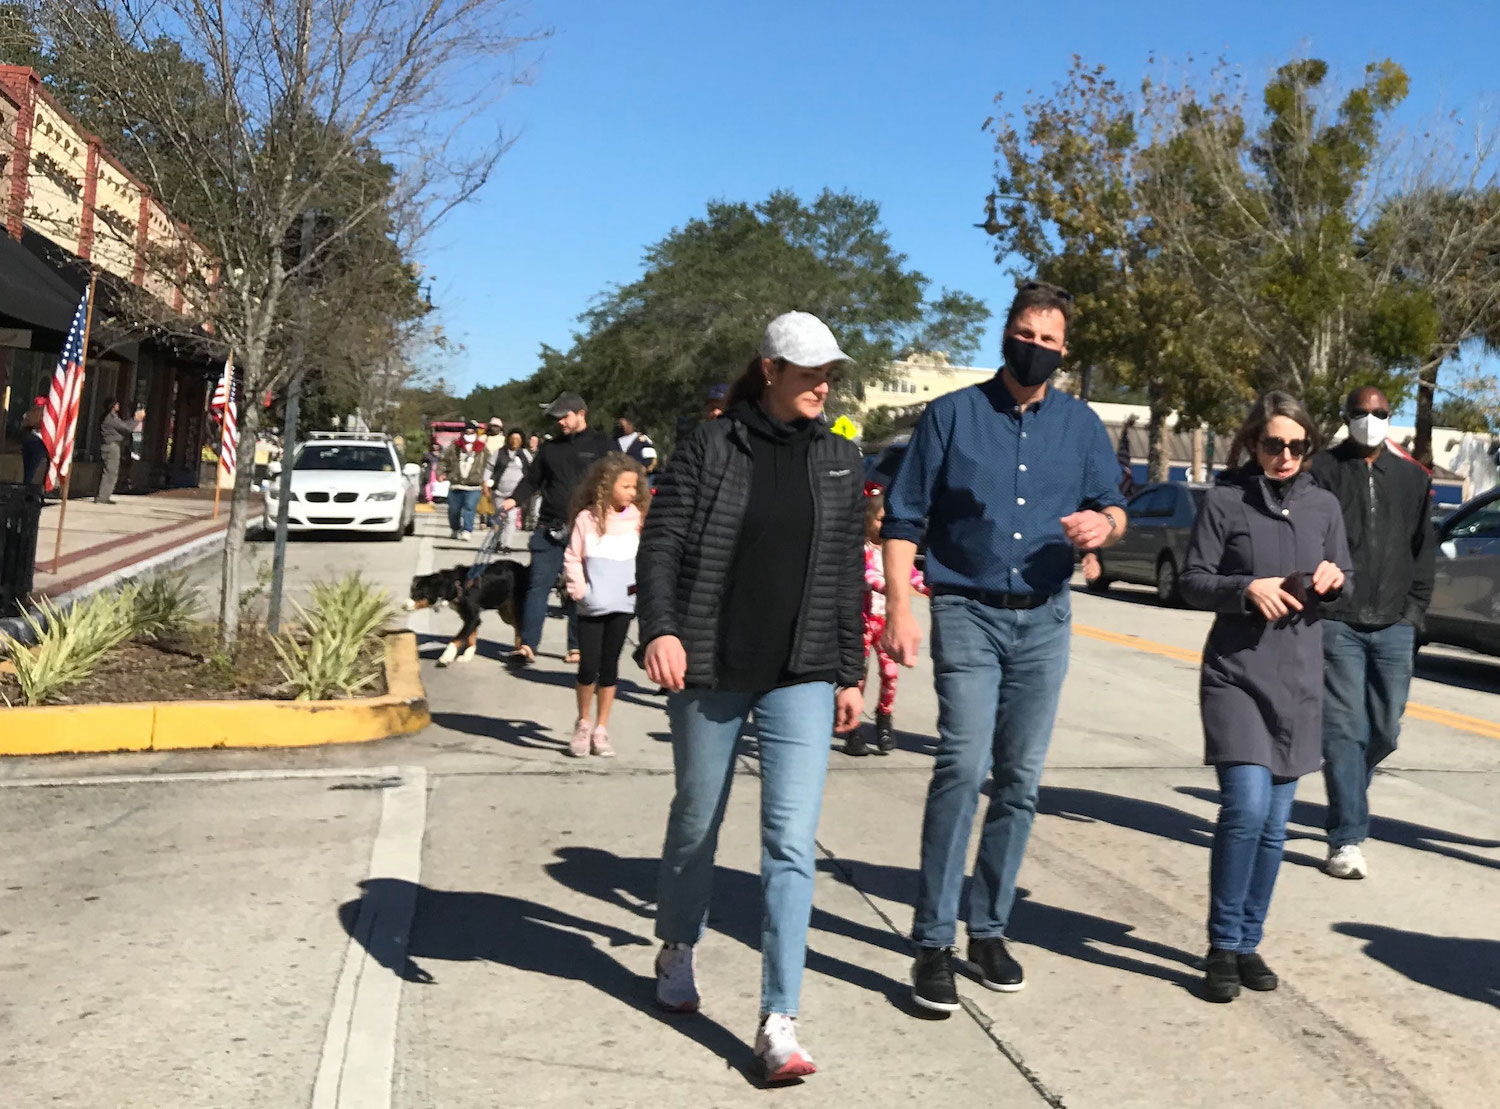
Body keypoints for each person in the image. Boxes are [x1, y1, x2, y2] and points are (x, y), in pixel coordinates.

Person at [881, 280, 1128, 1011]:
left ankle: (986, 928)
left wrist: (1104, 527)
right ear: (1006, 332)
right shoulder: (952, 415)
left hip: (1045, 617)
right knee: (961, 764)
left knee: (1019, 778)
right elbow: (904, 517)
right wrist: (900, 605)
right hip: (967, 610)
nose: (1036, 347)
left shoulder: (1081, 426)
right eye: (1027, 332)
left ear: (1063, 349)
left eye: (1050, 340)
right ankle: (932, 940)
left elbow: (1112, 503)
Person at [639, 311, 864, 1083]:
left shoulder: (840, 456)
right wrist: (660, 628)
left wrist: (851, 670)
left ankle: (779, 1017)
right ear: (770, 371)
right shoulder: (710, 443)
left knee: (791, 842)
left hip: (800, 672)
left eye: (828, 373)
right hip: (711, 666)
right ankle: (676, 942)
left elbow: (841, 574)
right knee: (697, 819)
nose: (822, 385)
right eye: (808, 374)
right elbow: (661, 540)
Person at [1180, 390, 1352, 1002]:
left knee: (1276, 828)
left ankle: (1249, 941)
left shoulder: (1325, 506)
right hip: (1237, 675)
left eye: (1297, 446)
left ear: (1309, 449)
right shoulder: (1226, 502)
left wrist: (1333, 582)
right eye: (1273, 444)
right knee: (1247, 810)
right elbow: (1193, 580)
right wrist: (1246, 587)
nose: (1284, 455)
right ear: (1254, 445)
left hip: (1299, 681)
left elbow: (1346, 581)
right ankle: (1222, 946)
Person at [1308, 386, 1434, 881]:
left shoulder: (1410, 477)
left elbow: (1423, 549)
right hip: (1337, 621)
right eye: (1360, 412)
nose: (1370, 420)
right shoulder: (1322, 471)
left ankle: (1348, 785)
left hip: (1394, 625)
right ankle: (1346, 838)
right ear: (1346, 416)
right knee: (1343, 731)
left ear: (1390, 417)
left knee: (1383, 731)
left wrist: (1414, 613)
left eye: (1379, 413)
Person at [500, 394, 614, 665]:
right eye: (557, 418)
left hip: (587, 531)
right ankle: (527, 645)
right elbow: (532, 481)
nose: (560, 422)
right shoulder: (550, 449)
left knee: (578, 590)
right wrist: (513, 500)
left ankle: (577, 647)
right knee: (537, 586)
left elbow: (616, 482)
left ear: (581, 414)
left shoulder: (602, 445)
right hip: (548, 528)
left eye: (565, 417)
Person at [563, 453, 650, 757]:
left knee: (610, 667)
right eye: (625, 486)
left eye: (634, 487)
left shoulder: (637, 519)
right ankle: (583, 722)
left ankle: (601, 728)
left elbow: (647, 557)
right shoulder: (588, 519)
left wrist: (641, 590)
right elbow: (573, 557)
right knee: (588, 666)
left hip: (623, 604)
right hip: (592, 604)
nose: (632, 492)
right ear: (606, 485)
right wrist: (580, 590)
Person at [843, 489, 928, 757]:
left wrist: (931, 588)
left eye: (887, 521)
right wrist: (891, 587)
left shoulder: (894, 553)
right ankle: (853, 729)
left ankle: (884, 719)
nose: (884, 526)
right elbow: (867, 576)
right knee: (858, 676)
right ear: (868, 520)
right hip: (863, 623)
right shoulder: (863, 552)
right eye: (880, 520)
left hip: (885, 623)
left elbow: (913, 577)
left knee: (890, 674)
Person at [438, 420, 487, 540]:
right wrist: (441, 473)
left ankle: (467, 530)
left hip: (474, 485)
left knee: (470, 508)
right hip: (456, 484)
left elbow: (489, 465)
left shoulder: (482, 449)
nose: (469, 435)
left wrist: (487, 480)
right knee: (454, 510)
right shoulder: (454, 447)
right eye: (467, 432)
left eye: (472, 432)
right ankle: (455, 528)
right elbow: (443, 461)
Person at [486, 429, 532, 552]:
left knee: (511, 519)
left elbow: (532, 471)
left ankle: (505, 544)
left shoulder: (525, 454)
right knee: (499, 518)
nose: (515, 441)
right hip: (499, 492)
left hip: (515, 494)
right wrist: (486, 482)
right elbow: (489, 468)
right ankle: (496, 541)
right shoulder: (499, 453)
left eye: (518, 439)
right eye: (513, 438)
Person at [96, 397, 135, 503]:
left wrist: (133, 420)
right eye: (116, 403)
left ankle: (104, 495)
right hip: (111, 447)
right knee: (111, 472)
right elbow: (126, 428)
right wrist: (136, 420)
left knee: (108, 472)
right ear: (112, 406)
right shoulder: (111, 418)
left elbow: (123, 425)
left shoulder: (111, 417)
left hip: (108, 446)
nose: (118, 405)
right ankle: (103, 497)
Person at [21, 397, 48, 486]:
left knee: (29, 467)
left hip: (31, 439)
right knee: (32, 467)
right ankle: (30, 487)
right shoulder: (42, 413)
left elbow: (24, 423)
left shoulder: (30, 413)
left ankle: (27, 486)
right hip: (37, 440)